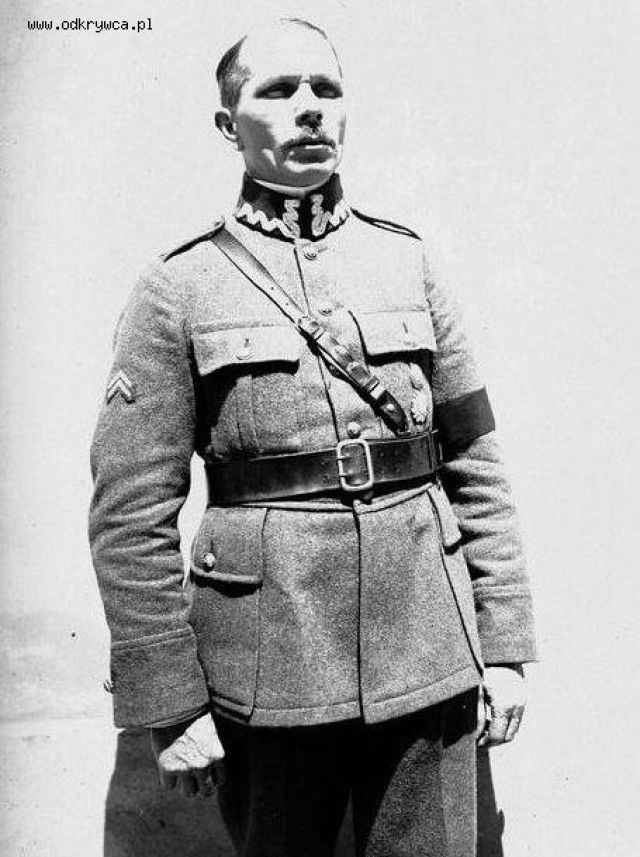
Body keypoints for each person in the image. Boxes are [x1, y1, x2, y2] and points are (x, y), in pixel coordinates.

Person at [89, 17, 537, 857]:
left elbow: (476, 462)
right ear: (229, 125)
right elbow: (129, 515)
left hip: (428, 646)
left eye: (326, 89)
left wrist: (505, 646)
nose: (309, 108)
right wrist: (171, 703)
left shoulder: (408, 262)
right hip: (268, 663)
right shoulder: (178, 287)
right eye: (278, 90)